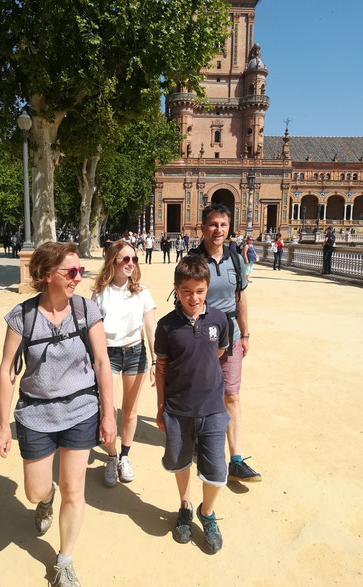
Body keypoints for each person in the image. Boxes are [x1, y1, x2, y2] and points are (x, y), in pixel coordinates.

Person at [0, 242, 114, 587]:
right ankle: (45, 501)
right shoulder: (23, 316)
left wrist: (108, 414)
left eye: (80, 271)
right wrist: (3, 425)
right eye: (71, 271)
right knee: (36, 490)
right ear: (48, 275)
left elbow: (103, 363)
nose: (79, 277)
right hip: (35, 414)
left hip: (80, 410)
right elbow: (6, 372)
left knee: (74, 490)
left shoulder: (86, 311)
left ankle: (64, 560)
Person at [155, 256, 229, 552]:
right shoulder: (166, 326)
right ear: (176, 289)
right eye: (187, 291)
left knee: (216, 469)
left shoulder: (220, 320)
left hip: (213, 407)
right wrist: (161, 407)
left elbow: (220, 352)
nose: (193, 298)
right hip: (178, 408)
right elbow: (161, 368)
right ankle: (185, 505)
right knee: (180, 460)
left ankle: (206, 512)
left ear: (207, 288)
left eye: (199, 291)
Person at [190, 204, 261, 483]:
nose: (218, 230)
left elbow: (240, 299)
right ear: (203, 227)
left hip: (230, 335)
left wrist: (245, 334)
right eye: (212, 224)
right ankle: (201, 440)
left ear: (228, 227)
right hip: (202, 336)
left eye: (222, 224)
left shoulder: (235, 260)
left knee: (231, 394)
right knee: (202, 392)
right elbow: (185, 300)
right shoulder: (193, 260)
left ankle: (236, 459)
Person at [92, 240, 156, 485]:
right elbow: (93, 330)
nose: (131, 263)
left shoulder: (141, 291)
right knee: (108, 409)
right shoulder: (99, 292)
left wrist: (155, 358)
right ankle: (111, 456)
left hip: (135, 353)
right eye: (125, 259)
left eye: (134, 259)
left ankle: (125, 457)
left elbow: (151, 328)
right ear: (113, 261)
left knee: (130, 411)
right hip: (109, 354)